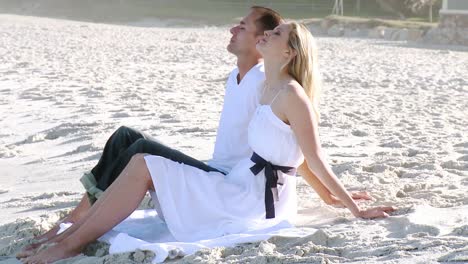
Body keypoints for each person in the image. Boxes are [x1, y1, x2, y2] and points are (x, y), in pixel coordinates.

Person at [21, 21, 396, 264]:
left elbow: (312, 159)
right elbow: (294, 156)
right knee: (140, 159)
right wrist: (327, 197)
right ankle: (71, 234)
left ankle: (69, 243)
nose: (268, 35)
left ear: (290, 52)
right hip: (237, 183)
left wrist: (350, 206)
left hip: (253, 202)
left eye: (277, 33)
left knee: (142, 162)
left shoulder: (293, 96)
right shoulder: (267, 87)